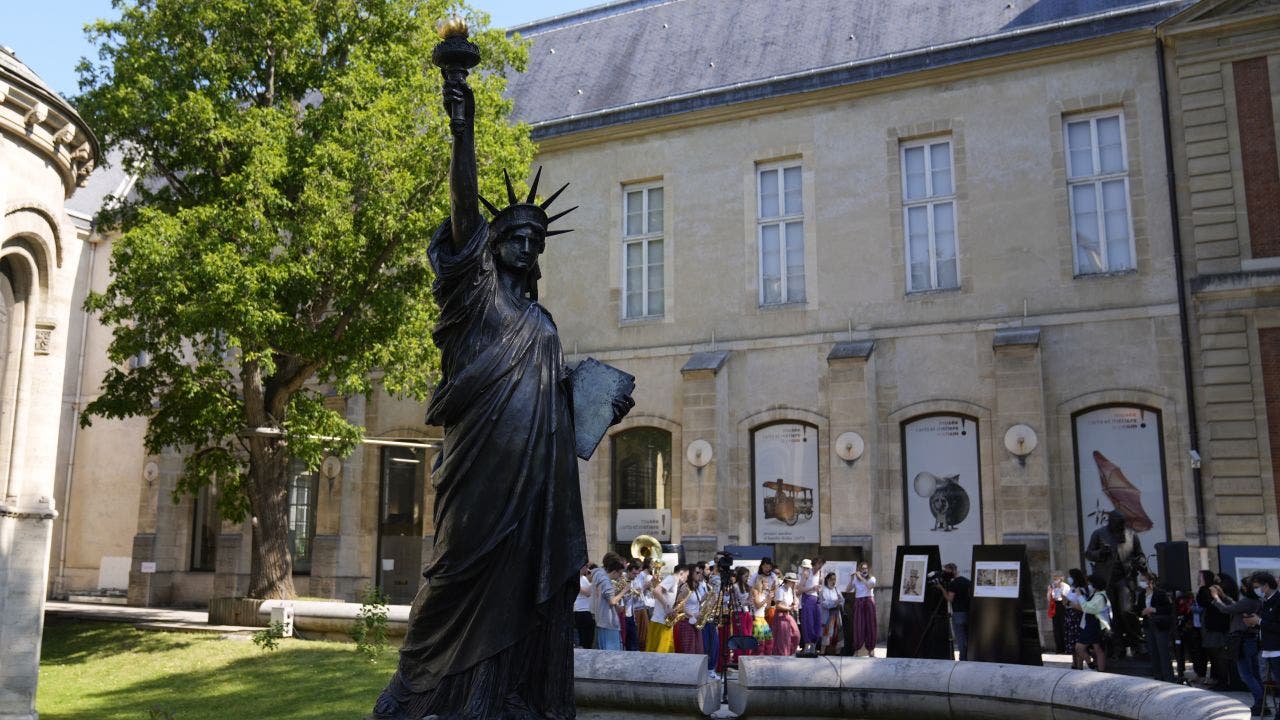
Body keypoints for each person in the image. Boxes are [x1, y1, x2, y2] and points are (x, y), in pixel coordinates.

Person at [370, 68, 633, 719]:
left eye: (536, 240)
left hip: (536, 486)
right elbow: (463, 209)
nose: (528, 243)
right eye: (517, 235)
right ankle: (417, 695)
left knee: (522, 592)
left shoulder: (542, 325)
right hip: (480, 475)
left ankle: (503, 695)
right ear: (494, 245)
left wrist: (592, 403)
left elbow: (552, 405)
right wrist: (464, 130)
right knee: (455, 578)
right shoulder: (475, 298)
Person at [1085, 511, 1146, 658]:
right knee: (1113, 615)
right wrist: (1100, 553)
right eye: (1117, 524)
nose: (1120, 527)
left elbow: (1140, 554)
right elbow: (1088, 554)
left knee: (1127, 610)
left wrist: (1140, 562)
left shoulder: (1131, 535)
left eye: (1121, 524)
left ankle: (1137, 642)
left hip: (1125, 578)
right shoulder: (1099, 533)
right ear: (1111, 522)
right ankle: (1118, 646)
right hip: (1107, 579)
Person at [1211, 572, 1262, 714]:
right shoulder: (1255, 601)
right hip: (1251, 640)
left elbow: (1228, 609)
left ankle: (1259, 703)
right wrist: (1222, 595)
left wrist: (1216, 598)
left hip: (1242, 640)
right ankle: (1261, 704)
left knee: (1246, 675)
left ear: (1246, 588)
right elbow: (1236, 606)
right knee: (1255, 674)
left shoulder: (1247, 601)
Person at [1242, 572, 1279, 717]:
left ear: (1266, 585)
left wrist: (1259, 622)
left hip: (1277, 649)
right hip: (1267, 648)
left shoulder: (1278, 600)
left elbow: (1276, 626)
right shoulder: (1266, 601)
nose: (1256, 589)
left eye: (1257, 586)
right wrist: (1254, 623)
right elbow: (1266, 625)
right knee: (1271, 682)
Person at [1137, 571, 1174, 682]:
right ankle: (1158, 677)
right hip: (1148, 625)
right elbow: (1138, 609)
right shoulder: (1142, 595)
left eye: (1143, 580)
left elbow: (1168, 609)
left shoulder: (1160, 593)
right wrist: (1142, 612)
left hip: (1160, 625)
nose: (1141, 582)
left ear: (1150, 581)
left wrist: (1154, 609)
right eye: (1141, 580)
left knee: (1163, 652)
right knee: (1153, 652)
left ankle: (1168, 678)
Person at [1198, 570, 1231, 689]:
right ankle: (1218, 679)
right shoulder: (1212, 593)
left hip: (1218, 628)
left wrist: (1213, 595)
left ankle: (1222, 681)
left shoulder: (1219, 594)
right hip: (1213, 627)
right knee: (1215, 656)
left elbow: (1217, 606)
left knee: (1219, 656)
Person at [1072, 573, 1112, 673]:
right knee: (1098, 648)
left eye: (1090, 583)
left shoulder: (1100, 597)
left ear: (1095, 584)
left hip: (1096, 625)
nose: (1089, 585)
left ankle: (1092, 664)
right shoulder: (1096, 594)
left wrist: (1079, 596)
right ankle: (1099, 669)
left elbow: (1088, 608)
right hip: (1092, 624)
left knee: (1080, 647)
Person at [647, 564, 688, 653]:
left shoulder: (674, 581)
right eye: (686, 575)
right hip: (660, 622)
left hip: (663, 622)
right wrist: (667, 607)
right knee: (660, 654)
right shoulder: (672, 579)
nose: (686, 578)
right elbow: (656, 591)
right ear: (681, 573)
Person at [591, 552, 627, 650]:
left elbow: (606, 598)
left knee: (603, 651)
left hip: (601, 619)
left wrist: (617, 604)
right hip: (608, 622)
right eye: (619, 573)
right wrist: (624, 591)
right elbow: (612, 601)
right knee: (611, 653)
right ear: (614, 571)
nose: (619, 576)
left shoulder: (598, 574)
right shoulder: (606, 581)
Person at [845, 562, 877, 657]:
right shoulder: (855, 579)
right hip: (859, 601)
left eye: (866, 568)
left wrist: (861, 578)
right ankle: (857, 649)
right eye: (862, 568)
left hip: (869, 601)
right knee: (858, 625)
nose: (864, 570)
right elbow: (848, 590)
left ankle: (870, 649)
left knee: (871, 625)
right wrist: (851, 580)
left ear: (868, 569)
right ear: (859, 569)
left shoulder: (872, 578)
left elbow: (869, 586)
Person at [941, 563, 971, 661]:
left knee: (960, 639)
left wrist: (941, 589)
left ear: (952, 570)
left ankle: (962, 660)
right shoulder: (967, 581)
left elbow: (950, 598)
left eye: (947, 571)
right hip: (968, 613)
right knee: (967, 638)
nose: (945, 573)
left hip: (958, 614)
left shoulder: (953, 584)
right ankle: (969, 657)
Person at [675, 564, 706, 655]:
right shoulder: (685, 587)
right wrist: (693, 614)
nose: (699, 574)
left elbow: (696, 603)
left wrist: (708, 597)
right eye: (697, 572)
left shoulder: (695, 588)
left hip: (695, 622)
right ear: (691, 573)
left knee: (698, 649)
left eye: (700, 572)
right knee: (689, 651)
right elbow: (678, 606)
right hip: (686, 622)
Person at [728, 567, 756, 662]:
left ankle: (747, 656)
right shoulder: (735, 587)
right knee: (741, 635)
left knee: (748, 635)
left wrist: (750, 600)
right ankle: (738, 658)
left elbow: (749, 600)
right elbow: (732, 603)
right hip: (738, 613)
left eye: (748, 576)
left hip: (747, 612)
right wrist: (745, 603)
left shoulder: (747, 586)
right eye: (745, 576)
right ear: (740, 576)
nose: (747, 578)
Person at [797, 558, 824, 654]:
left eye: (822, 564)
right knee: (808, 622)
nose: (820, 566)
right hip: (807, 598)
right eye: (818, 563)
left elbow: (820, 587)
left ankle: (813, 645)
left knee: (817, 622)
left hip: (816, 599)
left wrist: (819, 589)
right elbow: (799, 589)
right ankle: (807, 645)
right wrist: (812, 588)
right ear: (814, 564)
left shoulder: (821, 574)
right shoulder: (807, 573)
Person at [1063, 569, 1088, 669]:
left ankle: (1079, 664)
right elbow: (1067, 602)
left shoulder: (1081, 589)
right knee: (1071, 641)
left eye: (1070, 576)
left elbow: (1082, 604)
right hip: (1070, 616)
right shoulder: (1072, 588)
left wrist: (1070, 604)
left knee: (1077, 641)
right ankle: (1074, 662)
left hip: (1077, 616)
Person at [772, 572, 801, 656]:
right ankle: (783, 655)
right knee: (783, 638)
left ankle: (790, 652)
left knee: (796, 634)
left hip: (788, 614)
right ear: (787, 581)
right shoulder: (780, 590)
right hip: (781, 615)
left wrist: (794, 593)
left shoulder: (790, 590)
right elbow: (777, 606)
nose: (794, 583)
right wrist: (790, 608)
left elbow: (793, 602)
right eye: (792, 581)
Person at [819, 571, 845, 655]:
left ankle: (837, 653)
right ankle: (822, 652)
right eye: (832, 579)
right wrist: (834, 603)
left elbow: (842, 600)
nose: (834, 581)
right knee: (827, 633)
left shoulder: (837, 589)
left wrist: (840, 602)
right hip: (828, 615)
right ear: (827, 580)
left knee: (838, 633)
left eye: (835, 579)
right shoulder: (824, 590)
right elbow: (824, 603)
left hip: (837, 615)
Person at [751, 572, 775, 655]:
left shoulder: (764, 594)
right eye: (766, 582)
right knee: (760, 642)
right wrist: (767, 599)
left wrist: (770, 599)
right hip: (757, 619)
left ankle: (767, 657)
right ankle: (757, 658)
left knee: (769, 640)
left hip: (763, 619)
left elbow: (767, 607)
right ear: (761, 582)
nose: (768, 584)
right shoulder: (755, 591)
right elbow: (757, 605)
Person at [1048, 571, 1071, 654]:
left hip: (1063, 606)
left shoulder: (1066, 586)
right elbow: (1049, 598)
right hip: (1055, 606)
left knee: (1063, 626)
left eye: (1056, 577)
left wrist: (1060, 590)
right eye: (1053, 577)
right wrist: (1050, 591)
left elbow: (1067, 598)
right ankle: (1059, 648)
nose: (1054, 579)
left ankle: (1066, 647)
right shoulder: (1052, 586)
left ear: (1061, 578)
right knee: (1056, 627)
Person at [574, 563, 596, 649]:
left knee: (589, 638)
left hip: (588, 611)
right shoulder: (576, 579)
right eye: (585, 566)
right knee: (584, 639)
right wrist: (594, 581)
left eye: (587, 566)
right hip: (580, 611)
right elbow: (587, 593)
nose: (587, 568)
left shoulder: (584, 578)